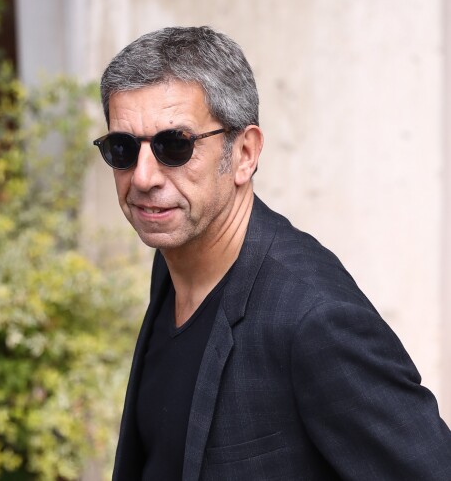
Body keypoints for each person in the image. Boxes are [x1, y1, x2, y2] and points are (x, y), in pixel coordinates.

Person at [93, 26, 451, 480]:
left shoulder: (313, 319)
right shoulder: (175, 262)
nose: (143, 176)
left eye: (174, 146)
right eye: (122, 148)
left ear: (244, 153)